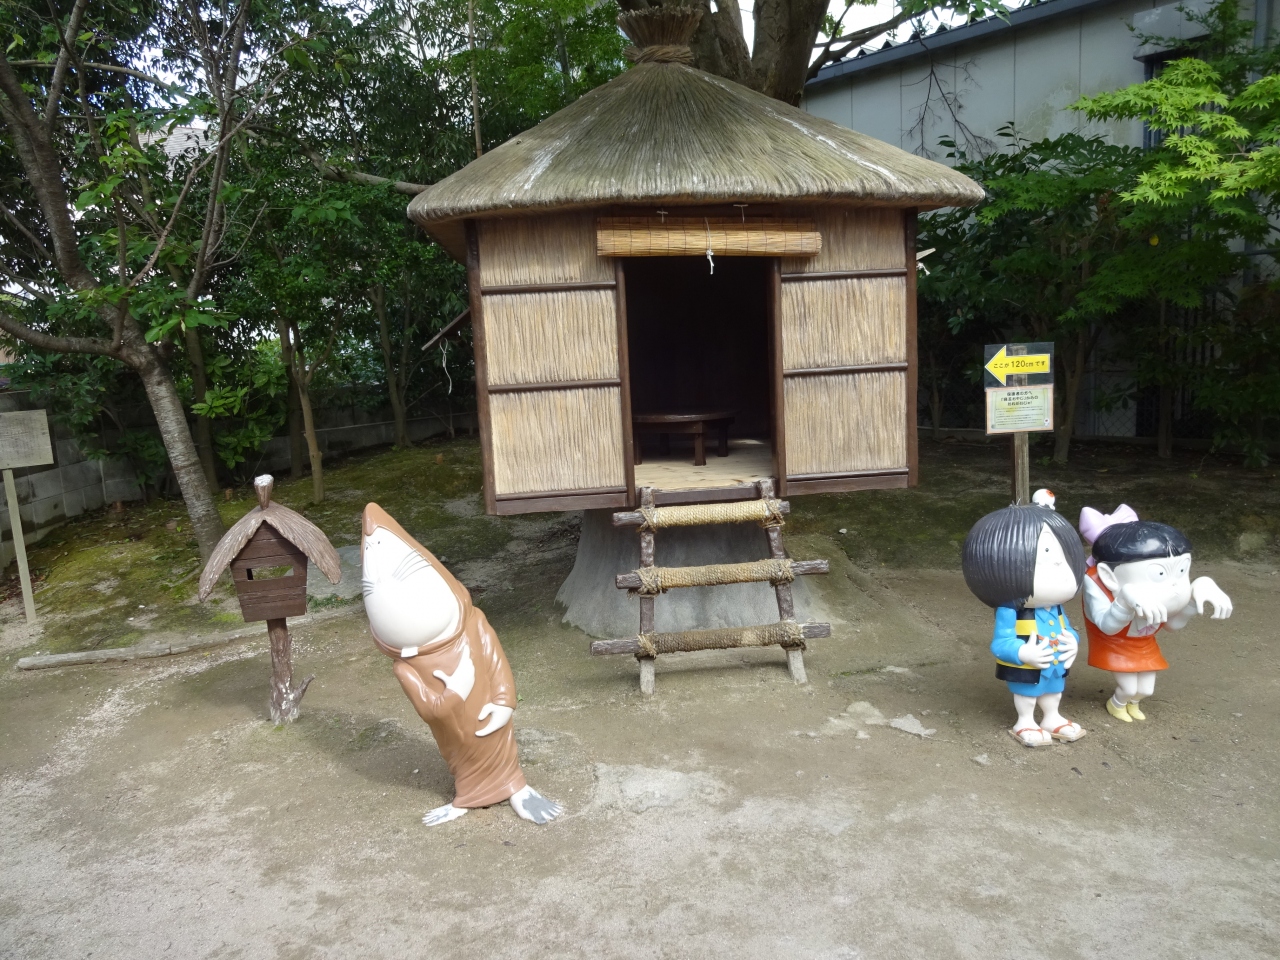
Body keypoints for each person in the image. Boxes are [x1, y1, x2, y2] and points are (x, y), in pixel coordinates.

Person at [360, 502, 562, 825]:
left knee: (497, 740)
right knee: (462, 756)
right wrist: (456, 690)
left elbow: (496, 661)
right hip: (455, 737)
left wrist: (505, 701)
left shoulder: (473, 623)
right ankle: (466, 797)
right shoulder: (405, 668)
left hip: (492, 717)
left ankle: (516, 786)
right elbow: (430, 710)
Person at [1078, 510, 1232, 722]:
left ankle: (1132, 704)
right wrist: (1125, 599)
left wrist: (1194, 599)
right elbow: (1108, 626)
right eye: (1159, 574)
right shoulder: (1097, 583)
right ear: (1108, 576)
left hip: (1144, 642)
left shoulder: (1166, 597)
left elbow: (1172, 625)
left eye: (1182, 571)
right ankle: (1117, 704)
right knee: (1128, 687)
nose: (1175, 588)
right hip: (1115, 642)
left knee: (1146, 689)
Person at [962, 503, 1088, 747]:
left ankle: (1052, 717)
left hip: (1055, 662)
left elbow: (1068, 629)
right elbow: (1000, 643)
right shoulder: (1010, 612)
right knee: (1027, 694)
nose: (1060, 569)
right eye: (1047, 560)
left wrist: (1073, 641)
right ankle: (1025, 722)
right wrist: (1022, 652)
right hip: (1028, 665)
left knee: (1054, 691)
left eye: (1064, 561)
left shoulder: (1057, 608)